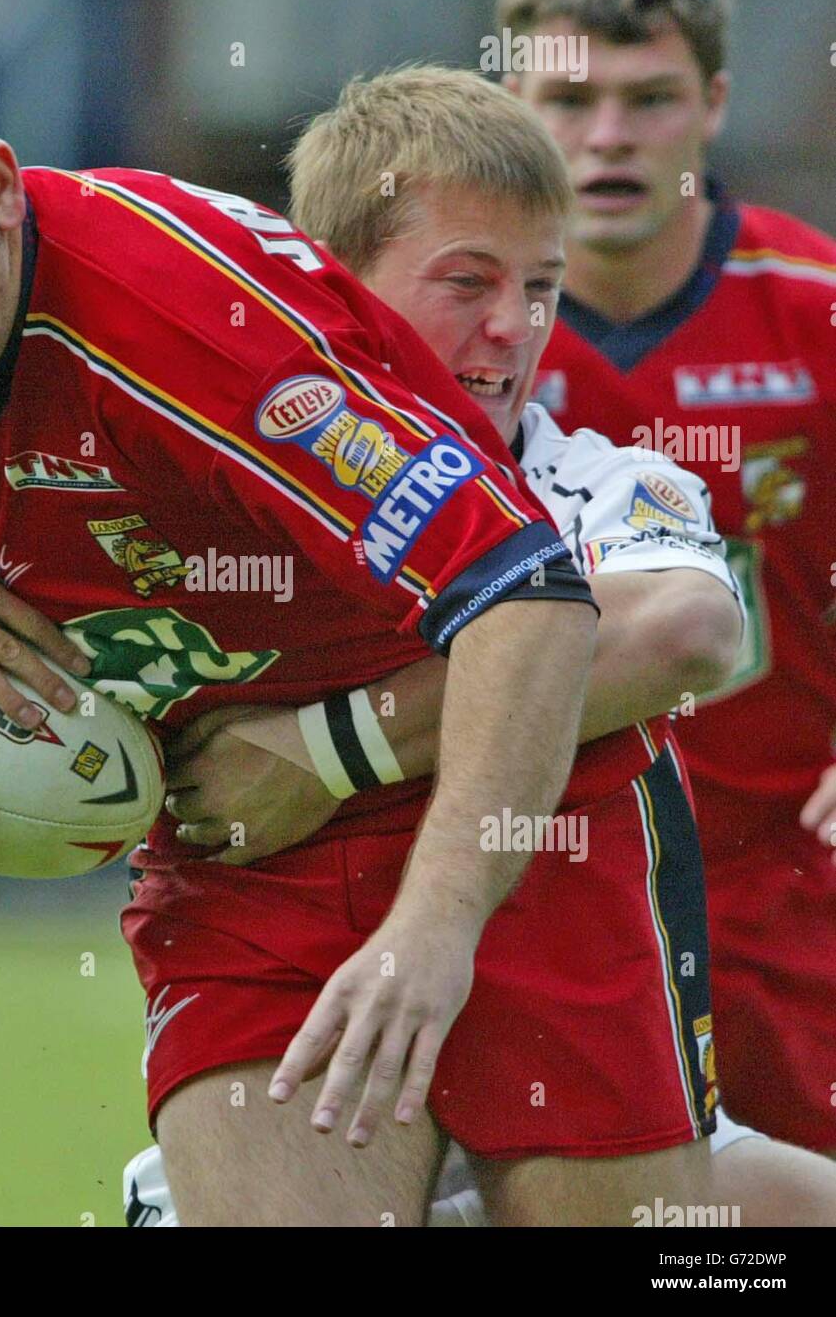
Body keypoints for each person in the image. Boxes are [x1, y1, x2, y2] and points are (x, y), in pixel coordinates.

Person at [0, 20, 602, 1227]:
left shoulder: (191, 331)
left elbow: (531, 601)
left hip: (524, 800)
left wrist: (433, 919)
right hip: (242, 857)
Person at [120, 64, 836, 1227]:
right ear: (328, 293)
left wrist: (327, 747)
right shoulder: (214, 495)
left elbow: (684, 626)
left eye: (541, 288)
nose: (514, 328)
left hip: (586, 1058)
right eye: (467, 285)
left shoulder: (603, 482)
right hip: (304, 1082)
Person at [495, 0, 836, 1156]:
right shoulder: (446, 336)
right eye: (568, 99)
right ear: (509, 105)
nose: (606, 137)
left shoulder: (813, 312)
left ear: (713, 105)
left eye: (649, 99)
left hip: (786, 901)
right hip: (534, 886)